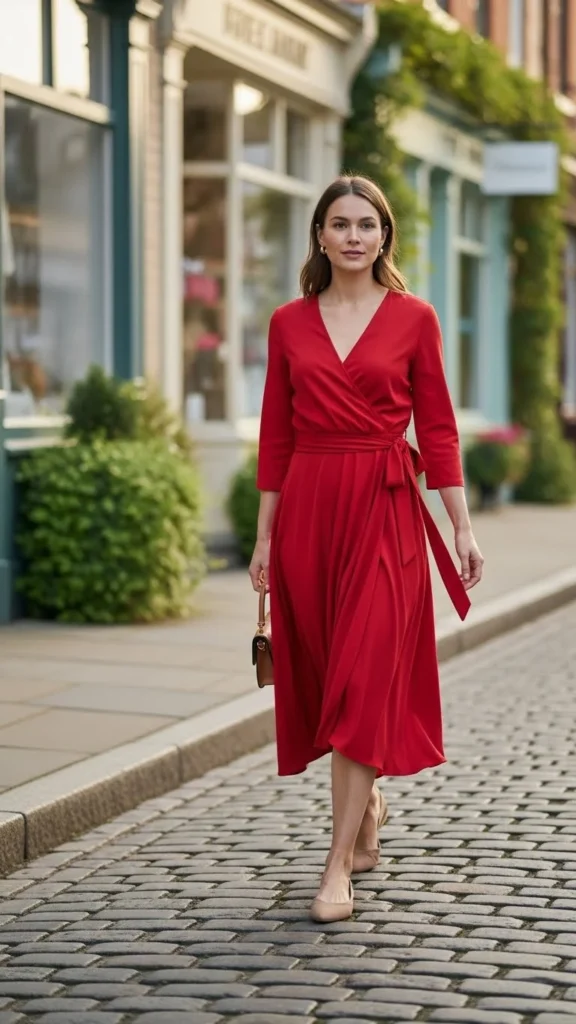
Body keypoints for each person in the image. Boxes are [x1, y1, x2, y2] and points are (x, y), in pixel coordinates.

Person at [249, 174, 484, 924]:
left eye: (367, 224)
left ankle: (335, 866)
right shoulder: (289, 323)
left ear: (385, 237)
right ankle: (368, 802)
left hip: (385, 510)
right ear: (319, 236)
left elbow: (439, 429)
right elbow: (276, 436)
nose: (354, 236)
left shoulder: (415, 318)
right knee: (326, 679)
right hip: (311, 512)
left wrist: (461, 524)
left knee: (362, 679)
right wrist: (262, 535)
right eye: (339, 224)